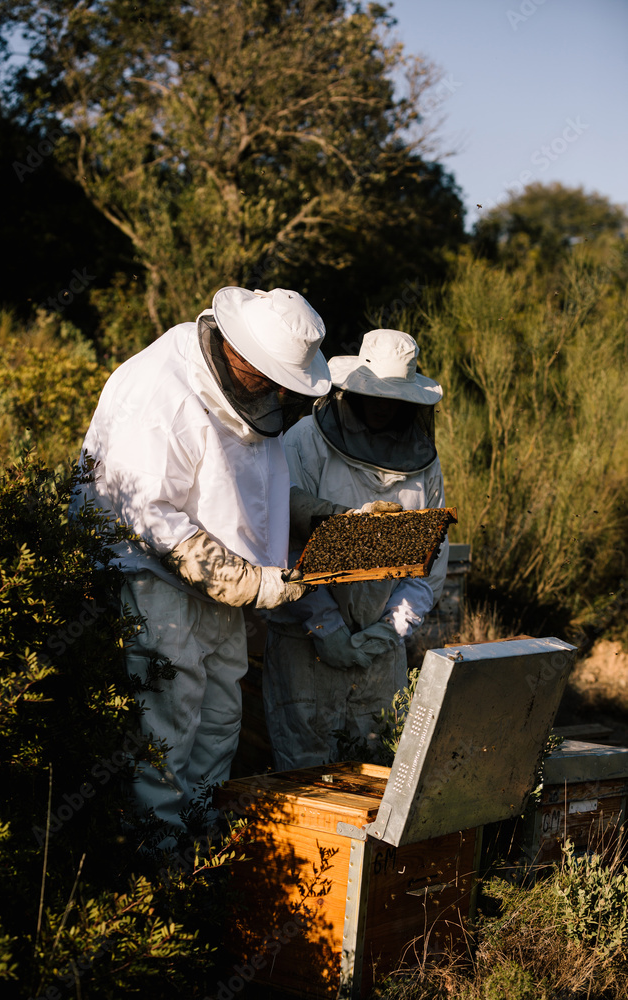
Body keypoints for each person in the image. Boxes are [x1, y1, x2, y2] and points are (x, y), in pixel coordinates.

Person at [71, 286, 341, 836]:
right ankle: (158, 870)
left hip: (220, 592)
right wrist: (244, 581)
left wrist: (327, 518)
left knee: (219, 727)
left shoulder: (247, 394)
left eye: (286, 387)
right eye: (270, 380)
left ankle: (200, 856)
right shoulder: (163, 393)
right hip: (151, 584)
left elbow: (251, 489)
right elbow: (144, 511)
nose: (276, 395)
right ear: (239, 352)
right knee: (165, 737)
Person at [263, 328, 449, 770]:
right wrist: (325, 625)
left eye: (395, 397)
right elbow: (281, 539)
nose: (384, 405)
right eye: (375, 394)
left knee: (379, 769)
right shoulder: (305, 441)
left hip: (380, 650)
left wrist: (394, 625)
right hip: (305, 645)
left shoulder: (425, 463)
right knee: (307, 776)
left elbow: (431, 557)